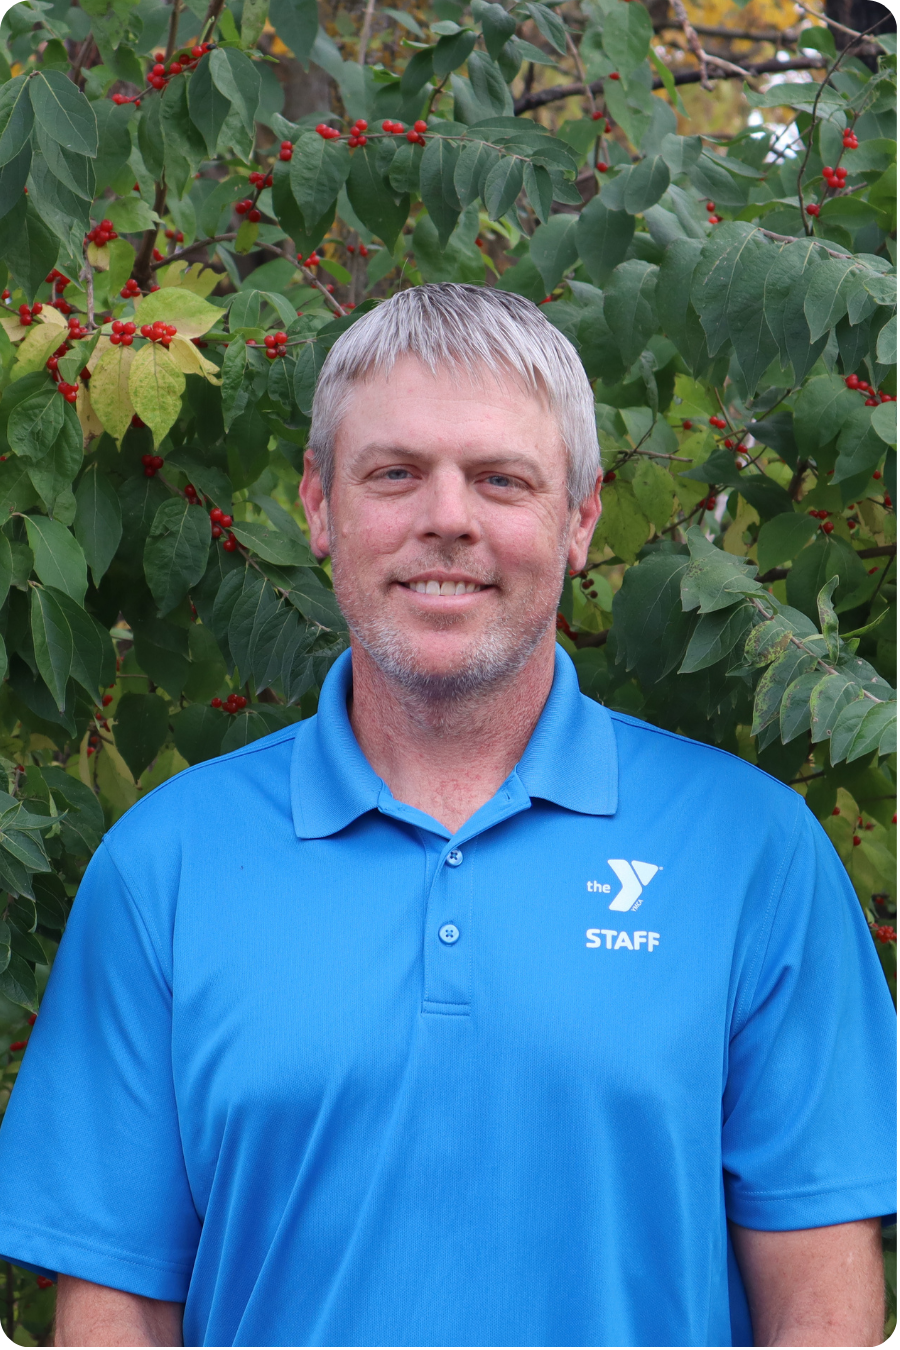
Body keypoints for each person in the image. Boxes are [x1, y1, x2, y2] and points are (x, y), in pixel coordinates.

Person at [0, 284, 894, 1349]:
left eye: (501, 479)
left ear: (580, 519)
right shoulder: (164, 867)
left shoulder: (753, 855)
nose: (448, 519)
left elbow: (820, 1305)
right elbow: (113, 1309)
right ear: (320, 505)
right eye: (395, 473)